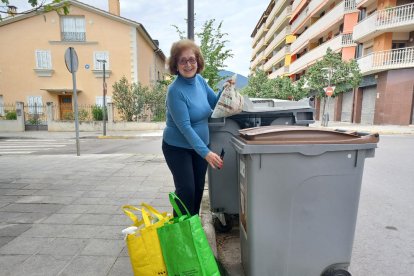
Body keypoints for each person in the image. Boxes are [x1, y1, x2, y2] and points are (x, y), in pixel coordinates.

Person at [162, 39, 227, 216]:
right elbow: (185, 127)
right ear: (176, 64)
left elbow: (214, 103)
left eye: (192, 59)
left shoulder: (200, 80)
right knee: (186, 191)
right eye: (183, 60)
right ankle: (180, 234)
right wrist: (206, 153)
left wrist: (226, 90)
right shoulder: (175, 91)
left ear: (198, 61)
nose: (188, 64)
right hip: (178, 148)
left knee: (198, 190)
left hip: (200, 146)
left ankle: (193, 229)